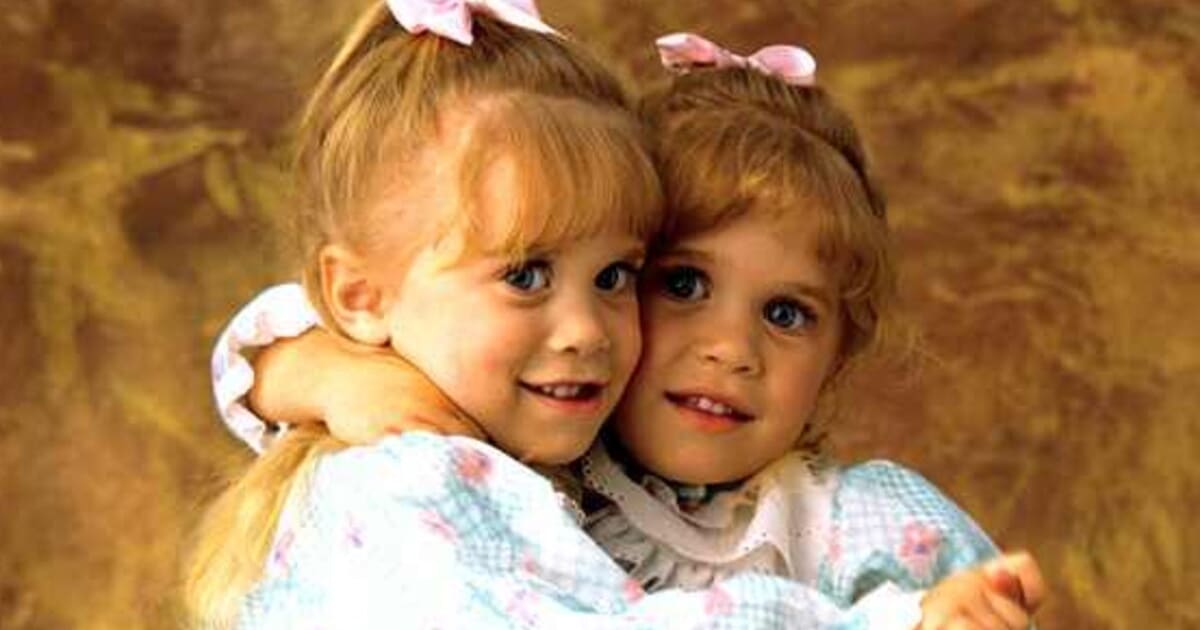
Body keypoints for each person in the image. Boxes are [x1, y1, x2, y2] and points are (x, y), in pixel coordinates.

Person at [204, 5, 1045, 628]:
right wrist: (326, 373)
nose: (731, 349)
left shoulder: (845, 520)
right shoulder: (421, 470)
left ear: (840, 354)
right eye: (682, 285)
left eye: (614, 276)